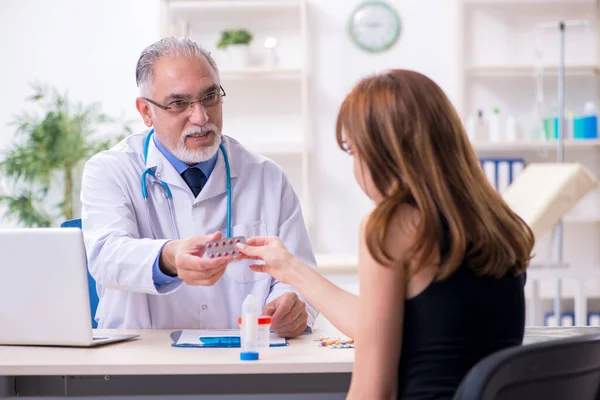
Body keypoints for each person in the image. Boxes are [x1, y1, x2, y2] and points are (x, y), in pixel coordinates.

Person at [236, 70, 534, 399]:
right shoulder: (498, 223)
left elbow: (372, 391)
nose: (355, 168)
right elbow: (388, 325)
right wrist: (289, 268)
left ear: (383, 153)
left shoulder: (392, 226)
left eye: (353, 151)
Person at [80, 36, 317, 336]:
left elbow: (298, 274)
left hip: (244, 361)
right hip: (142, 363)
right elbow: (105, 255)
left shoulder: (266, 177)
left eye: (210, 97)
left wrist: (289, 303)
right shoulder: (111, 170)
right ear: (145, 112)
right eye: (179, 103)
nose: (201, 117)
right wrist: (168, 256)